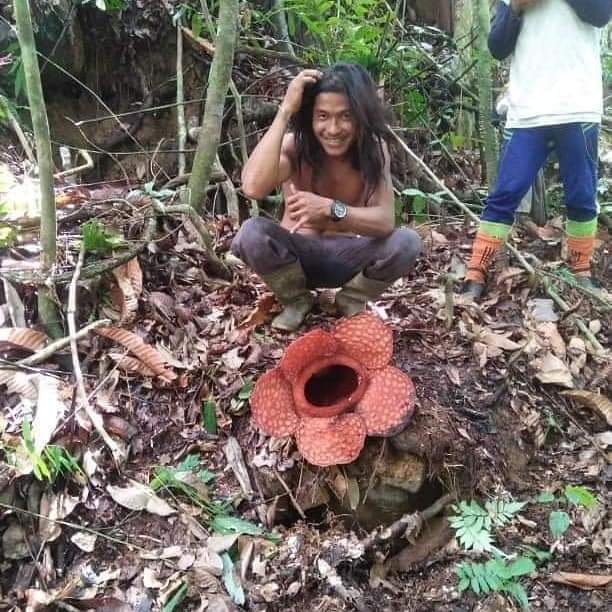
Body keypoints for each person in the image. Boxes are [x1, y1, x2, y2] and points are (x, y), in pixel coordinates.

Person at [232, 63, 422, 331]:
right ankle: (296, 300)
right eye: (322, 116)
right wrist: (285, 110)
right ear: (310, 117)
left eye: (345, 117)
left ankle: (351, 299)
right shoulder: (295, 146)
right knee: (251, 233)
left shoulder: (372, 150)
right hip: (295, 261)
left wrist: (333, 209)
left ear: (361, 117)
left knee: (407, 242)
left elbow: (385, 221)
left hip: (349, 259)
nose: (333, 129)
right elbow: (252, 187)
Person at [464, 0, 612, 299]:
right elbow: (497, 47)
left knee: (581, 196)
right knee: (505, 193)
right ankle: (474, 275)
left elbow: (600, 14)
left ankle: (580, 273)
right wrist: (517, 6)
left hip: (578, 106)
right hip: (528, 109)